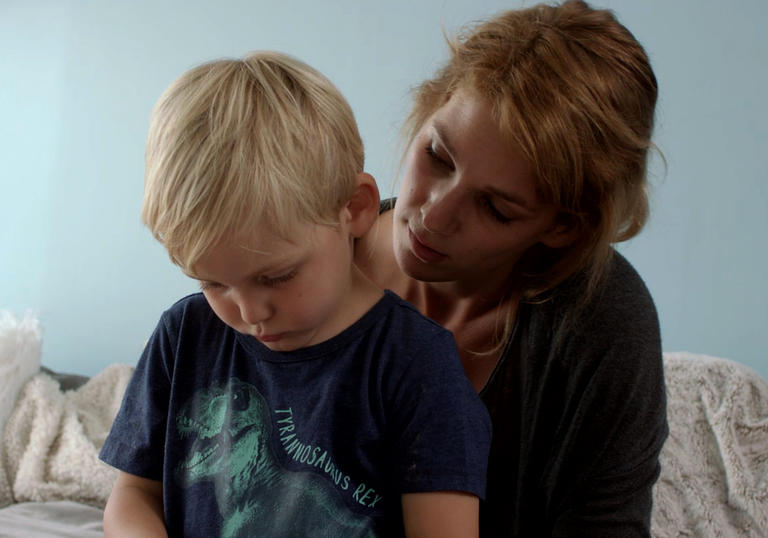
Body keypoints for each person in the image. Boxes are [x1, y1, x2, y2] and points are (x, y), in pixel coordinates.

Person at [99, 51, 491, 538]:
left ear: (355, 208)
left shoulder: (417, 365)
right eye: (213, 282)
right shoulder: (184, 335)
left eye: (277, 276)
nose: (249, 313)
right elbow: (131, 496)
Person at [354, 1, 668, 536]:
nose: (434, 214)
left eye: (495, 208)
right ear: (431, 105)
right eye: (438, 156)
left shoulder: (605, 324)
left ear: (562, 226)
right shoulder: (317, 253)